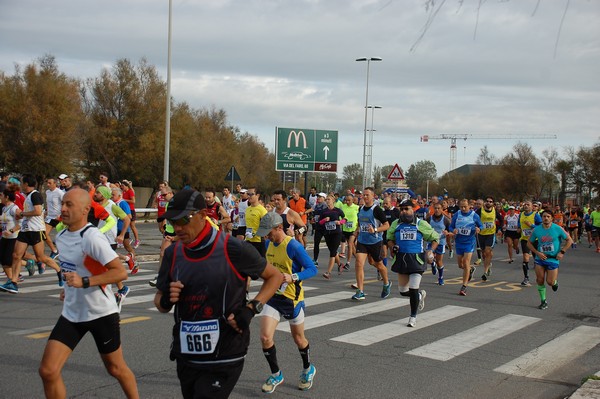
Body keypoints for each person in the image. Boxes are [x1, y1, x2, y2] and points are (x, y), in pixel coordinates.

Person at [153, 189, 282, 399]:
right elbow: (159, 302)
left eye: (184, 219)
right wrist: (166, 299)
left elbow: (274, 277)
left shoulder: (233, 248)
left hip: (225, 351)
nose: (177, 227)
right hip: (187, 354)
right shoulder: (172, 253)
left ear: (203, 215)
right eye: (172, 221)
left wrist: (251, 309)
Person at [38, 188, 139, 399]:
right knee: (48, 371)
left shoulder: (92, 237)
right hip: (72, 314)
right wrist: (69, 290)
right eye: (62, 204)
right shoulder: (63, 235)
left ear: (85, 210)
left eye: (69, 205)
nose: (62, 209)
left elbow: (120, 272)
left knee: (116, 369)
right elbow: (72, 270)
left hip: (101, 313)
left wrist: (85, 282)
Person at [255, 212, 318, 393]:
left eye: (269, 232)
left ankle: (308, 369)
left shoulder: (293, 246)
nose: (266, 235)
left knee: (299, 339)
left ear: (279, 228)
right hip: (273, 298)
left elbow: (312, 268)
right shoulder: (267, 244)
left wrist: (294, 277)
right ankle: (276, 374)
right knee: (265, 337)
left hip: (292, 299)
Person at [0, 174, 62, 294]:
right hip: (25, 230)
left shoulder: (35, 195)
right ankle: (13, 282)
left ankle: (59, 270)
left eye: (23, 183)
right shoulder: (27, 196)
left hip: (36, 230)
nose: (21, 185)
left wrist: (23, 214)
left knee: (41, 257)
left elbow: (38, 211)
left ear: (27, 184)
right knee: (16, 255)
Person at [387, 199, 440, 327]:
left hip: (417, 260)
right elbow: (389, 238)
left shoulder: (421, 224)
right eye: (402, 209)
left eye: (407, 209)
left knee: (413, 288)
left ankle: (413, 317)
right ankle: (420, 295)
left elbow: (435, 238)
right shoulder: (396, 224)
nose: (404, 212)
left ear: (413, 210)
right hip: (401, 260)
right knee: (403, 291)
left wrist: (430, 251)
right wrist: (392, 247)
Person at [527, 210, 573, 310]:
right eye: (544, 216)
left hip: (553, 259)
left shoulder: (558, 228)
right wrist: (537, 252)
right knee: (539, 280)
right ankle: (543, 301)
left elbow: (569, 240)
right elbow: (529, 243)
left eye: (548, 216)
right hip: (540, 258)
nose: (546, 218)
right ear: (542, 218)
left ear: (552, 218)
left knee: (550, 282)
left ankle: (555, 283)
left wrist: (562, 252)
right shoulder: (537, 230)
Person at [351, 187, 392, 301]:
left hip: (375, 241)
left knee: (377, 264)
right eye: (363, 195)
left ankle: (386, 283)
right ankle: (360, 291)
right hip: (362, 241)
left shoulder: (377, 210)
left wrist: (375, 230)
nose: (364, 197)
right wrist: (356, 232)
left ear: (373, 196)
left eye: (367, 195)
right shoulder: (361, 209)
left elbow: (386, 225)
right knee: (359, 263)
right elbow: (360, 224)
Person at [450, 198, 483, 296]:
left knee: (466, 262)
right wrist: (453, 230)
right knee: (461, 265)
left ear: (469, 206)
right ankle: (471, 269)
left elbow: (481, 226)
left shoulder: (474, 215)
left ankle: (464, 286)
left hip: (469, 242)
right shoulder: (457, 214)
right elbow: (451, 226)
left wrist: (478, 229)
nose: (463, 208)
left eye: (465, 206)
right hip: (459, 242)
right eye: (461, 206)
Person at [476, 196, 503, 281]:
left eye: (490, 201)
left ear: (493, 203)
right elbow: (474, 219)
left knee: (488, 251)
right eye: (487, 201)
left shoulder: (495, 211)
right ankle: (488, 265)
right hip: (481, 234)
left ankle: (485, 272)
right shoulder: (480, 211)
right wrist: (476, 227)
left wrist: (499, 229)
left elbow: (501, 220)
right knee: (484, 254)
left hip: (490, 234)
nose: (488, 203)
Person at [320, 194, 346, 279]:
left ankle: (328, 272)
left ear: (333, 201)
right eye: (326, 199)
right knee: (333, 251)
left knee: (332, 253)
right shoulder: (324, 211)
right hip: (327, 234)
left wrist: (340, 222)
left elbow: (345, 219)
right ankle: (340, 265)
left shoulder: (337, 210)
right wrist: (324, 220)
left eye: (329, 199)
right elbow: (319, 223)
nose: (327, 201)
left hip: (336, 233)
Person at [426, 202, 452, 285]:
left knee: (439, 261)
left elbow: (450, 231)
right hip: (431, 241)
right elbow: (425, 228)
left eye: (438, 208)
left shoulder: (445, 220)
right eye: (435, 208)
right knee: (428, 258)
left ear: (441, 209)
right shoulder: (429, 219)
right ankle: (433, 264)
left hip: (441, 242)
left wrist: (447, 232)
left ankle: (440, 277)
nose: (437, 210)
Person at [518, 200, 542, 286]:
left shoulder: (536, 215)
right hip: (525, 239)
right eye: (525, 204)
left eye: (528, 205)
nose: (526, 206)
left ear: (532, 207)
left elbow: (541, 226)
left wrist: (531, 225)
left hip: (535, 240)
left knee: (537, 259)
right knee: (525, 257)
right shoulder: (521, 214)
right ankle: (526, 277)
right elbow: (519, 223)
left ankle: (539, 276)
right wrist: (519, 228)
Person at [244, 187, 268, 257]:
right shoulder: (248, 209)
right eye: (248, 194)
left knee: (260, 264)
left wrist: (255, 234)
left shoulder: (262, 210)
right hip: (248, 240)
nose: (249, 196)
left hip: (259, 242)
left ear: (257, 195)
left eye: (251, 194)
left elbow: (267, 226)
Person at [44, 177, 64, 258]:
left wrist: (61, 215)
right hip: (50, 217)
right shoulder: (47, 192)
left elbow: (65, 203)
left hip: (59, 217)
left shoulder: (60, 192)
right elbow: (48, 204)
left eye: (50, 183)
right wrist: (46, 211)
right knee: (44, 234)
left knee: (63, 237)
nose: (48, 185)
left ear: (55, 183)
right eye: (47, 183)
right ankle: (54, 250)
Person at [339, 193, 359, 269]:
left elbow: (359, 218)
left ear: (353, 200)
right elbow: (341, 217)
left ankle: (348, 263)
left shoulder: (356, 207)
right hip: (345, 229)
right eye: (346, 200)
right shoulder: (343, 207)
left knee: (350, 244)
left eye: (349, 200)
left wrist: (358, 228)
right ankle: (359, 259)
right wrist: (342, 222)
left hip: (353, 230)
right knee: (352, 247)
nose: (347, 202)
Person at [121, 180, 140, 248]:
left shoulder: (130, 191)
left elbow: (133, 201)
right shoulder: (123, 192)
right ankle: (126, 239)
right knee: (125, 225)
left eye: (123, 186)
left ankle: (137, 240)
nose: (122, 187)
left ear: (126, 186)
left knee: (132, 225)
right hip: (125, 210)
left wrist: (123, 199)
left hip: (131, 210)